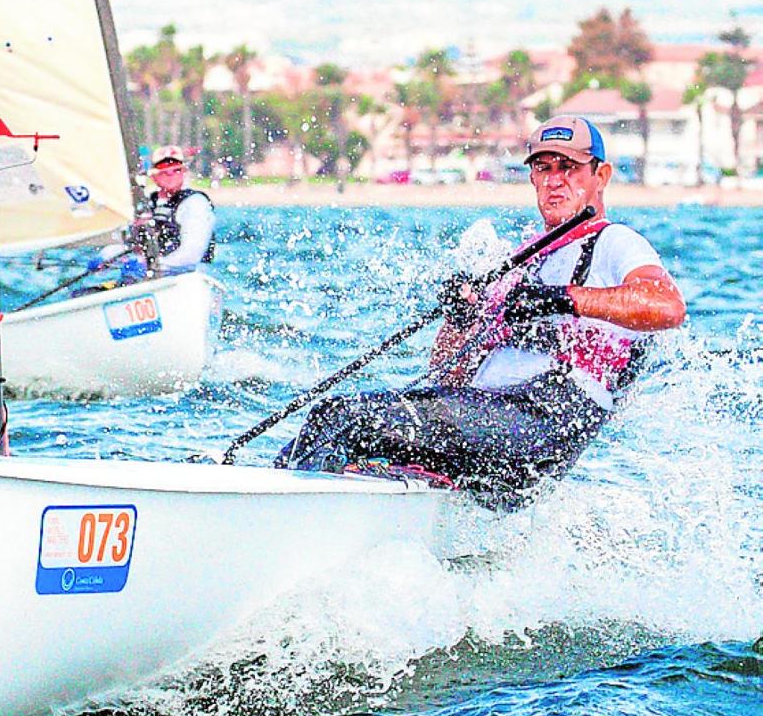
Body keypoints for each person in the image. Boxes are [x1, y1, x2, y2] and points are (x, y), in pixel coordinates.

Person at [276, 116, 686, 508]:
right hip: (489, 422)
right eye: (543, 168)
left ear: (601, 176)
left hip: (545, 422)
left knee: (341, 418)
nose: (555, 180)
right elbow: (448, 374)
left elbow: (667, 306)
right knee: (312, 436)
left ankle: (294, 523)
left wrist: (565, 299)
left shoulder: (615, 242)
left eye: (570, 167)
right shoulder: (521, 261)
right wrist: (460, 318)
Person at [91, 145, 216, 281]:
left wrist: (152, 266)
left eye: (176, 170)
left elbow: (191, 255)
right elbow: (126, 244)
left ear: (184, 171)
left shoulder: (195, 203)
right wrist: (105, 258)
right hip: (149, 277)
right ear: (154, 175)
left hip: (188, 279)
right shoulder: (146, 204)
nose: (170, 175)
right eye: (164, 171)